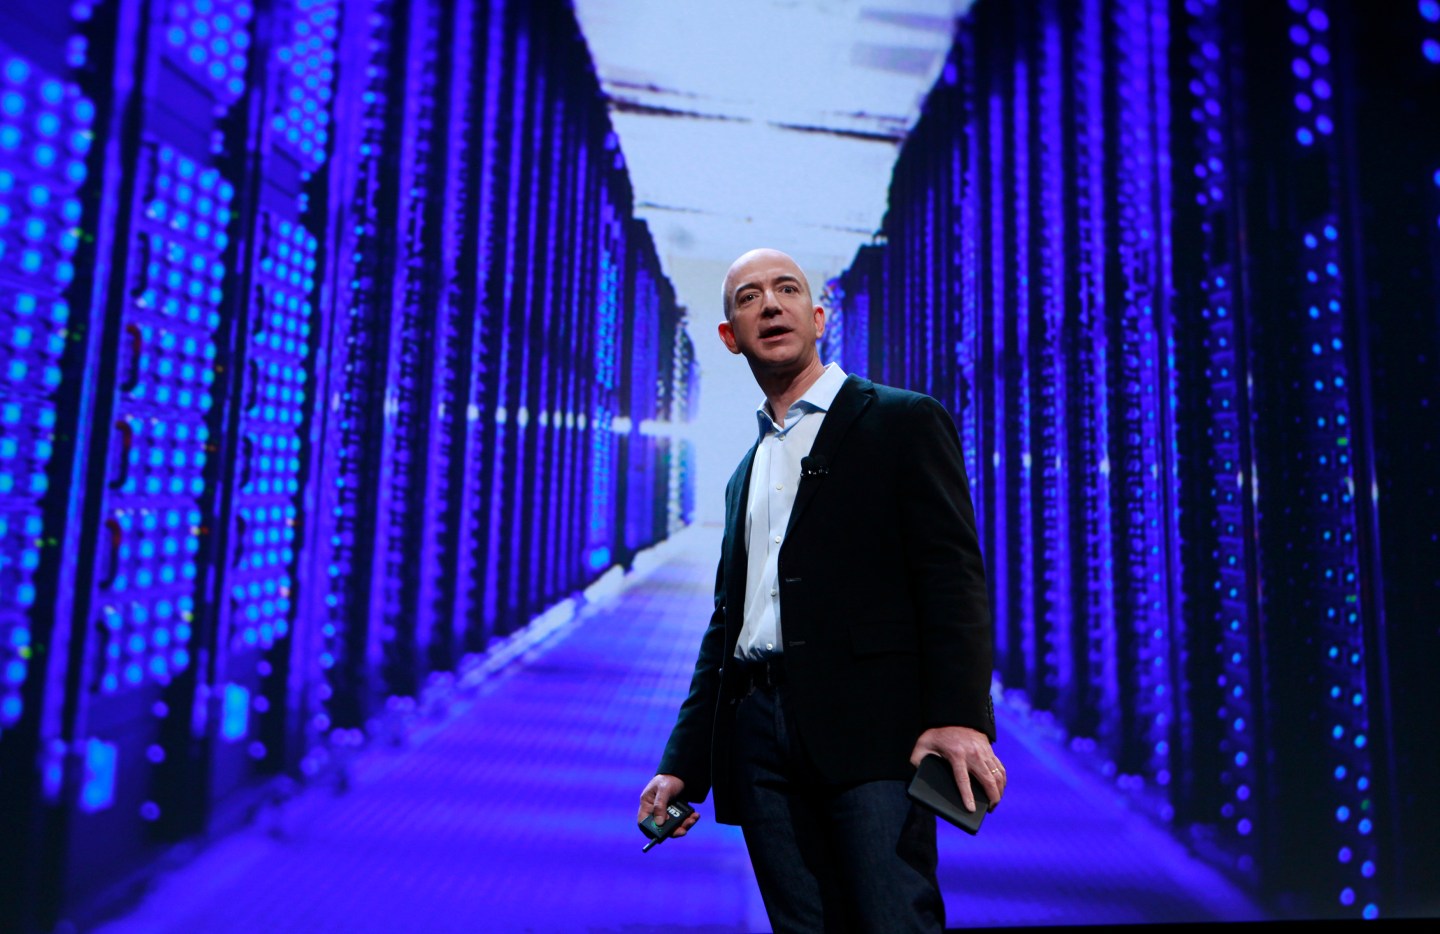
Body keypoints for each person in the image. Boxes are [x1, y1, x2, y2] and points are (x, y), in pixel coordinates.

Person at [636, 248, 1005, 933]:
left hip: (872, 730)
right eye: (749, 298)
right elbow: (728, 626)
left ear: (819, 316)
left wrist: (960, 716)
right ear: (729, 336)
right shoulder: (745, 470)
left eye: (787, 290)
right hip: (757, 738)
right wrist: (683, 764)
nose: (770, 305)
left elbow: (952, 576)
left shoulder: (901, 421)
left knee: (892, 917)